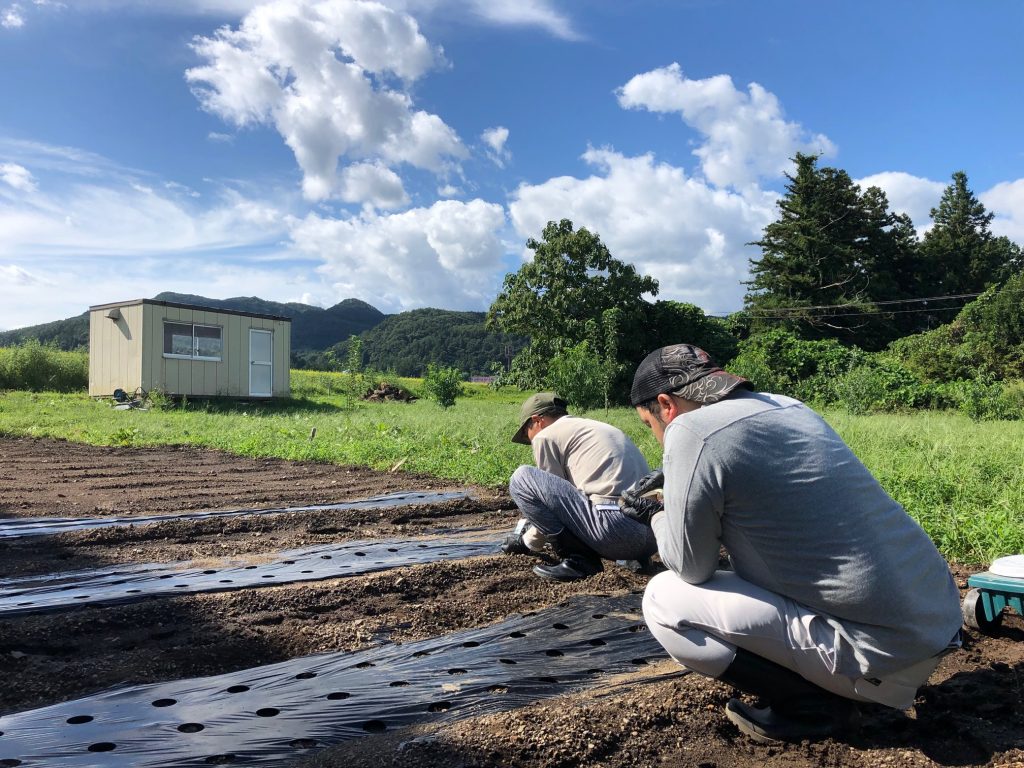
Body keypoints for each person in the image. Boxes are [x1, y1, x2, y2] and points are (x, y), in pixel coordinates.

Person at [619, 343, 962, 743]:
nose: (657, 435)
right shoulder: (788, 406)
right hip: (934, 621)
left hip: (880, 657)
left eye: (649, 424)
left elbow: (690, 566)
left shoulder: (688, 431)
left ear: (666, 404)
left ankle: (812, 708)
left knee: (664, 598)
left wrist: (655, 515)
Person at [503, 392, 658, 582]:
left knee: (522, 478)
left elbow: (552, 502)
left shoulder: (545, 436)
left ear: (537, 421)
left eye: (528, 435)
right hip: (654, 536)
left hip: (617, 533)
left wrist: (527, 542)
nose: (531, 442)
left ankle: (579, 561)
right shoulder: (595, 428)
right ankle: (638, 559)